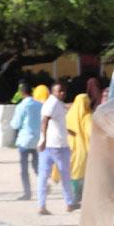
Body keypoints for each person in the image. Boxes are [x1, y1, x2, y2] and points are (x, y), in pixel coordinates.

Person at [37, 82, 76, 215]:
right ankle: (69, 203)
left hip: (54, 144)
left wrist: (68, 131)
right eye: (59, 91)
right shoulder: (52, 103)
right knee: (64, 175)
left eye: (64, 91)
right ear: (53, 92)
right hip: (56, 146)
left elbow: (56, 123)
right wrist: (43, 139)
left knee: (44, 176)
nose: (62, 93)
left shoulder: (56, 103)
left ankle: (42, 205)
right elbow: (45, 121)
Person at [10, 82, 42, 200]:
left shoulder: (22, 106)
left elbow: (15, 124)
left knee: (24, 168)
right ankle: (43, 186)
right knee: (37, 165)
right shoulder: (39, 105)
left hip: (24, 139)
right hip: (37, 139)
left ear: (22, 93)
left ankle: (27, 192)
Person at [66, 93, 93, 205]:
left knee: (72, 171)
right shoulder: (87, 116)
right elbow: (91, 132)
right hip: (82, 147)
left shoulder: (69, 114)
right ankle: (76, 197)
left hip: (69, 146)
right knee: (80, 172)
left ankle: (71, 196)